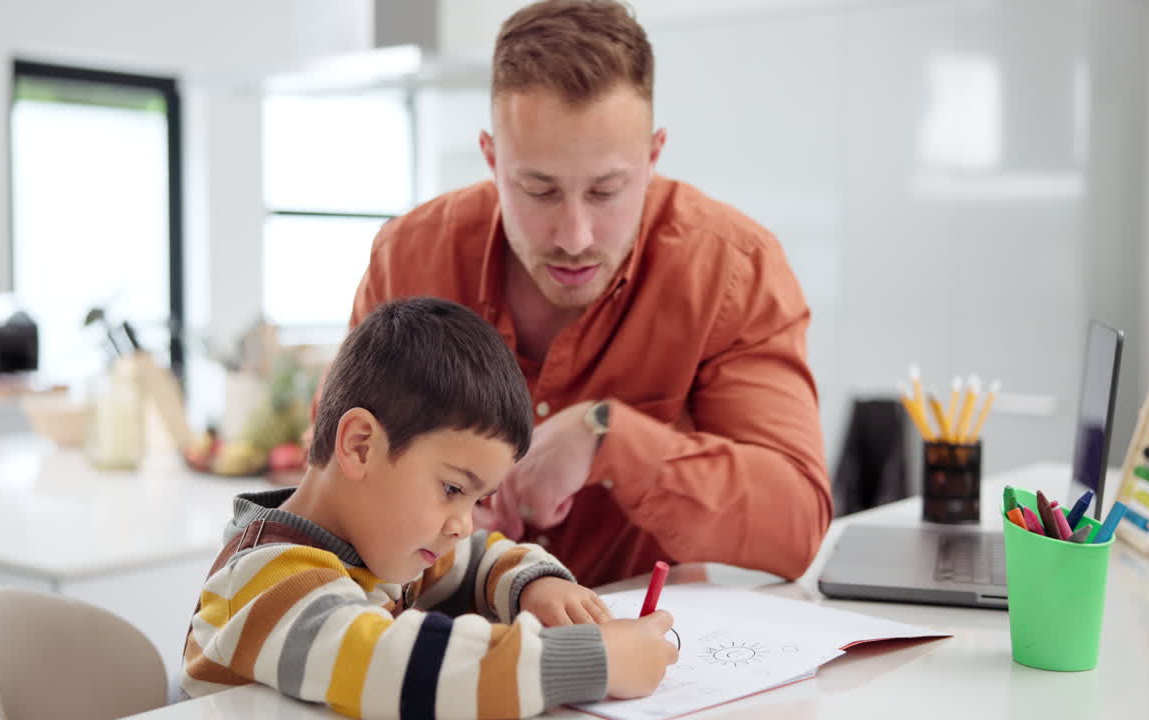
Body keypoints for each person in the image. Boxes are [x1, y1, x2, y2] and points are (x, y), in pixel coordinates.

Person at [345, 0, 832, 588]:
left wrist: (609, 438)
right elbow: (338, 477)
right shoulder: (409, 256)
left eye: (606, 191)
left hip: (642, 651)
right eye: (539, 189)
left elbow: (798, 525)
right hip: (441, 645)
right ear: (492, 159)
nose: (574, 237)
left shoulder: (734, 270)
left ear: (652, 158)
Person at [180, 297, 678, 718]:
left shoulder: (382, 550)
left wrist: (538, 585)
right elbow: (397, 666)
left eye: (480, 500)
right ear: (359, 447)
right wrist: (595, 661)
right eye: (452, 489)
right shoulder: (266, 580)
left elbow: (482, 556)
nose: (462, 525)